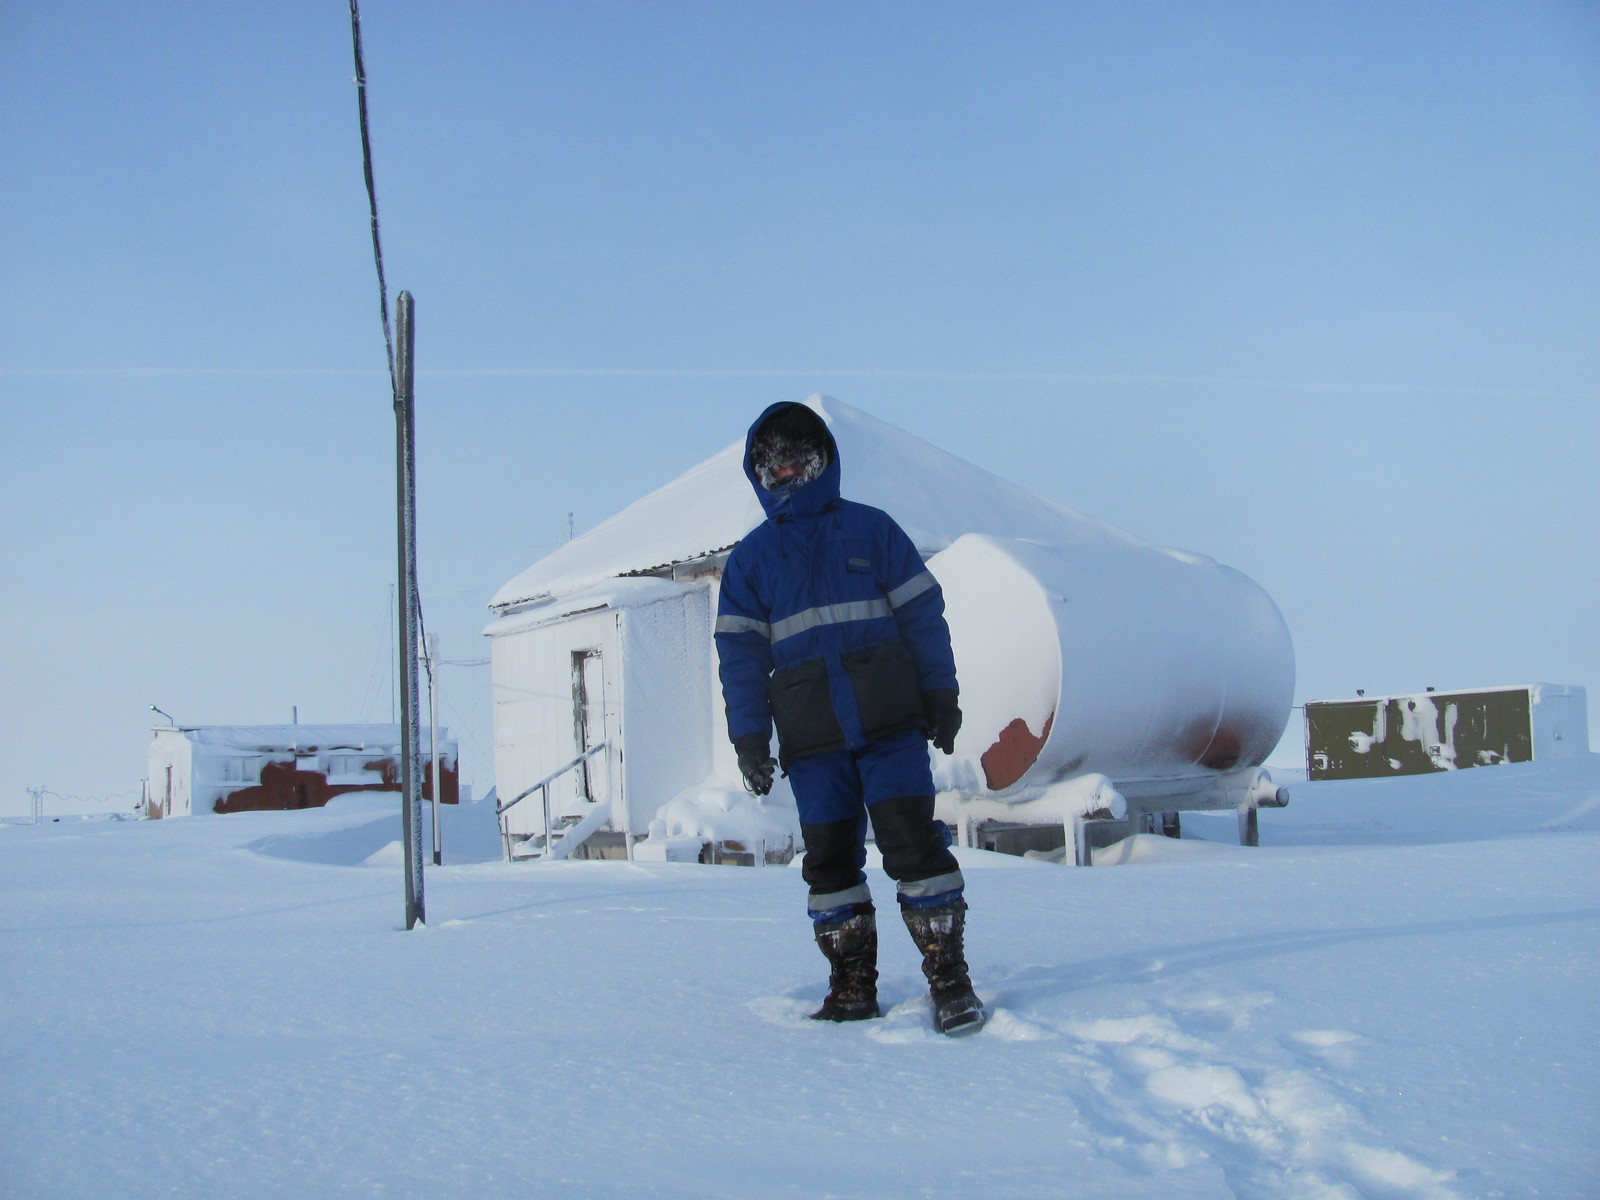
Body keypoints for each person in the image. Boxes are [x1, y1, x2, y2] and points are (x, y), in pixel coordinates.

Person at [714, 401, 985, 1036]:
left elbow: (923, 617)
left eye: (796, 459)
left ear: (821, 460)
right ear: (758, 473)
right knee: (830, 864)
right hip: (813, 742)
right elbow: (740, 655)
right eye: (771, 465)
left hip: (890, 727)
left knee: (913, 847)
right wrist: (749, 735)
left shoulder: (873, 531)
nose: (784, 473)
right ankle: (852, 984)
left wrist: (940, 694)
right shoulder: (751, 562)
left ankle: (950, 980)